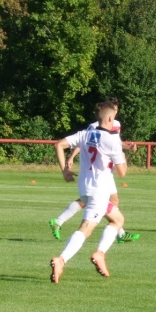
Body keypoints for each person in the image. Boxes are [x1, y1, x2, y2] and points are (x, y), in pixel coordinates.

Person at [49, 101, 128, 283]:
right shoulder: (112, 140)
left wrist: (65, 170)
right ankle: (61, 259)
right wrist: (123, 156)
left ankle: (100, 254)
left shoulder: (85, 134)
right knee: (86, 229)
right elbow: (122, 172)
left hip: (85, 188)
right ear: (110, 118)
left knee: (117, 220)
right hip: (99, 191)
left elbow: (59, 145)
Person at [50, 110, 139, 244]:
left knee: (103, 203)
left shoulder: (111, 125)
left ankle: (120, 233)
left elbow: (111, 142)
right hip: (100, 174)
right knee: (92, 217)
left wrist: (126, 147)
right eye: (114, 109)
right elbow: (92, 144)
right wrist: (72, 157)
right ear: (109, 114)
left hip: (98, 175)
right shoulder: (95, 127)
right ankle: (65, 244)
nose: (116, 111)